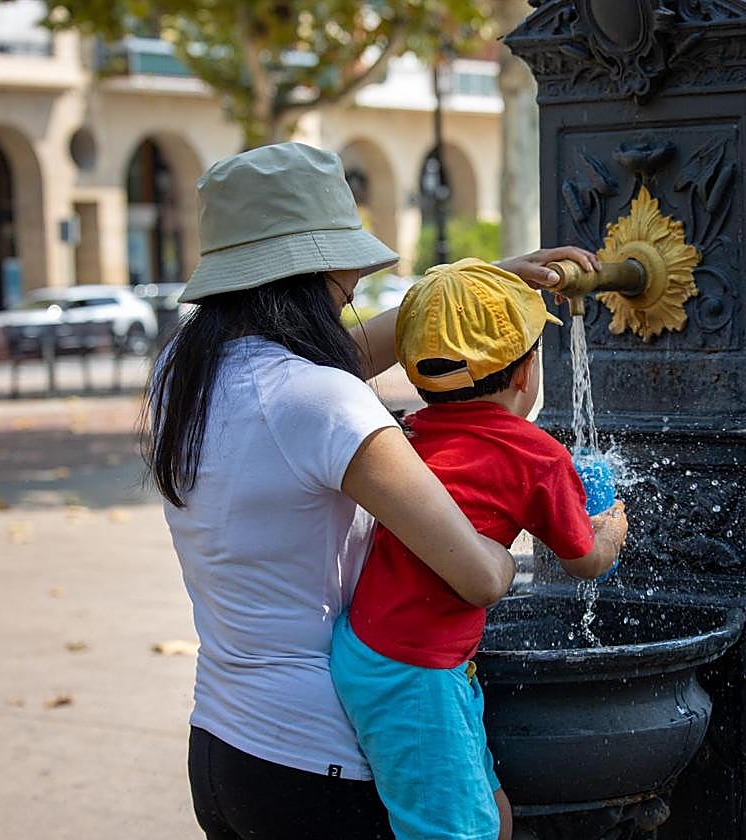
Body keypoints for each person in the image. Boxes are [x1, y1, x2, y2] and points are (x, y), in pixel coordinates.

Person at [144, 142, 601, 840]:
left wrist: (486, 287)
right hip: (321, 763)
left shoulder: (186, 369)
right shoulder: (322, 403)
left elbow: (330, 363)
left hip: (224, 749)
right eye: (347, 277)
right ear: (314, 270)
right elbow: (477, 576)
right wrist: (513, 550)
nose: (354, 291)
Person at [330, 258, 630, 840]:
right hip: (415, 670)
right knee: (455, 832)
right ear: (525, 374)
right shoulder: (537, 456)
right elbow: (582, 561)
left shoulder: (411, 430)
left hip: (381, 646)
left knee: (492, 818)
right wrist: (611, 528)